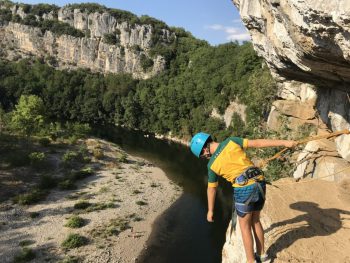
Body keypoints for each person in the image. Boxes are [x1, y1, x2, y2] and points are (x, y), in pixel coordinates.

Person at [190, 132, 295, 263]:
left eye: (202, 155)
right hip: (259, 182)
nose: (204, 157)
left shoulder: (211, 165)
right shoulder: (231, 141)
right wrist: (284, 142)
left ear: (204, 149)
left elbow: (211, 188)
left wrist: (210, 210)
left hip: (244, 189)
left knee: (245, 227)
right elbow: (257, 143)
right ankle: (262, 255)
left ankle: (250, 260)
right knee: (255, 221)